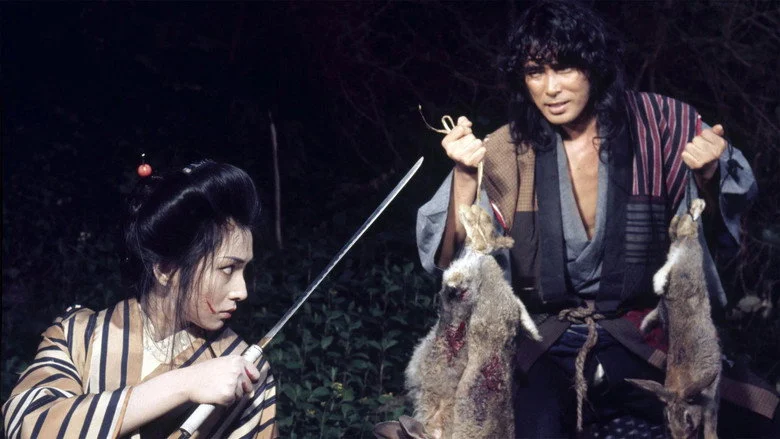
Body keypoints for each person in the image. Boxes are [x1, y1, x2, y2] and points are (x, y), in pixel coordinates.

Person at [416, 1, 778, 437]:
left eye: (564, 67)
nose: (551, 88)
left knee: (761, 417)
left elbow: (721, 234)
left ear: (593, 66)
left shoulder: (664, 126)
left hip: (641, 335)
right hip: (544, 342)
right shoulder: (506, 150)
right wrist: (463, 174)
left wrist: (708, 176)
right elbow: (448, 263)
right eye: (535, 72)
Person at [2, 160, 278, 438]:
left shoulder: (245, 368)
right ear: (166, 270)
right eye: (228, 269)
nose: (242, 291)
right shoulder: (77, 335)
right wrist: (183, 384)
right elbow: (29, 425)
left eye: (244, 270)